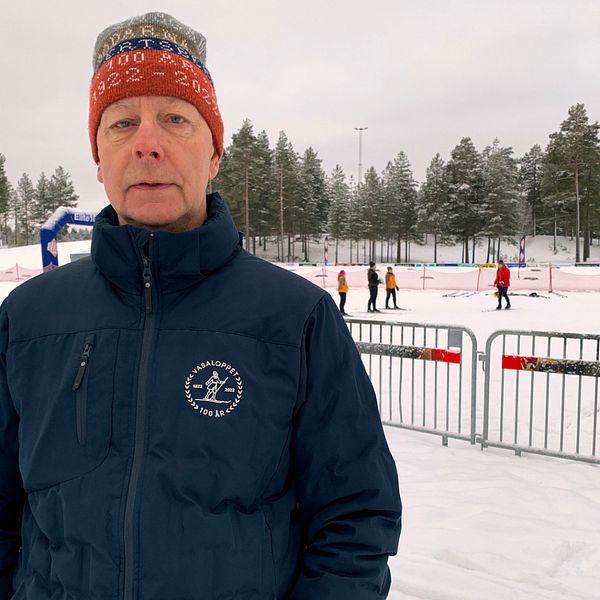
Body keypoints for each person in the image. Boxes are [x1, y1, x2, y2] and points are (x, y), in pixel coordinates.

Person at [0, 12, 401, 600]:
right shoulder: (28, 319)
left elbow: (354, 519)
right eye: (121, 123)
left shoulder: (297, 319)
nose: (147, 143)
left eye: (175, 119)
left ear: (214, 154)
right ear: (99, 158)